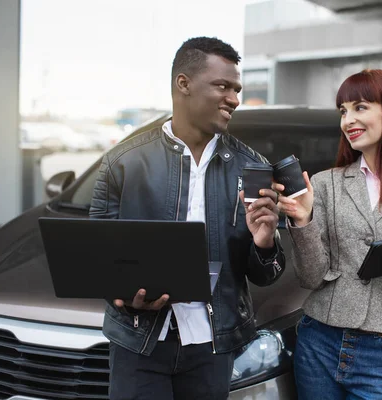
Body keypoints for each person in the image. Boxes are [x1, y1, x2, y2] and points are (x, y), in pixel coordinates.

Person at [89, 37, 286, 400]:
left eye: (237, 89)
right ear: (184, 84)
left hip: (213, 347)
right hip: (139, 342)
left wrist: (265, 241)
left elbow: (267, 274)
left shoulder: (253, 167)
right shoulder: (123, 161)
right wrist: (124, 296)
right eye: (223, 86)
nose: (234, 99)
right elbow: (98, 258)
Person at [274, 69, 382, 400]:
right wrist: (303, 221)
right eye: (343, 110)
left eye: (359, 107)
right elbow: (311, 277)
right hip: (319, 343)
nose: (347, 120)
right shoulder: (325, 184)